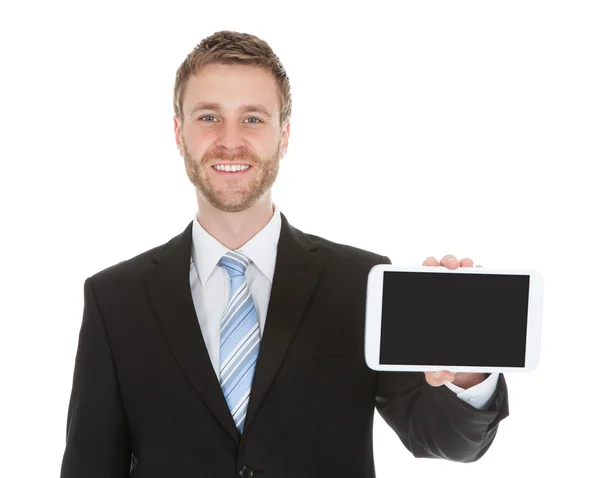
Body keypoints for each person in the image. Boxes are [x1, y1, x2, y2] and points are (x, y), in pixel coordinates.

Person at [60, 30, 509, 478]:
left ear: (284, 135)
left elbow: (446, 439)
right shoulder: (115, 300)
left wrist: (466, 375)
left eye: (253, 119)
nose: (230, 140)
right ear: (179, 133)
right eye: (209, 117)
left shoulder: (361, 283)